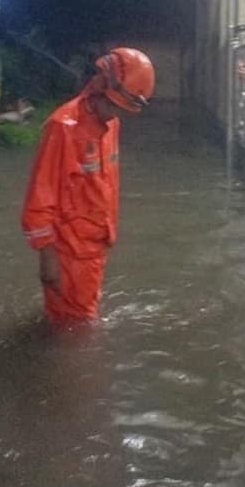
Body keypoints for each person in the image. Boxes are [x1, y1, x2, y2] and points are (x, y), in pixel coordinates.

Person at [21, 47, 155, 323]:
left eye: (122, 110)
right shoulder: (64, 128)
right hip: (69, 254)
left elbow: (104, 185)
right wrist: (48, 259)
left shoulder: (110, 124)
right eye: (115, 106)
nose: (116, 114)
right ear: (100, 88)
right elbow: (39, 201)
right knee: (75, 332)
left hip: (94, 247)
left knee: (79, 322)